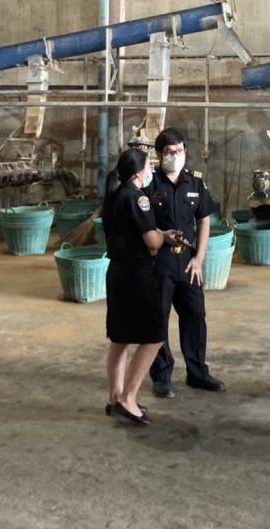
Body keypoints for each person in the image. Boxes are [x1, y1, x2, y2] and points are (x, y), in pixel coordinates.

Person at [103, 148, 183, 425]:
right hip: (137, 275)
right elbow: (150, 241)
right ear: (138, 171)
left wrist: (158, 234)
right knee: (155, 335)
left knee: (120, 338)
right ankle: (129, 398)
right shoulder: (138, 198)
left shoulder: (114, 196)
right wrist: (163, 238)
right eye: (149, 166)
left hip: (117, 274)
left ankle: (114, 398)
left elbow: (132, 231)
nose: (151, 170)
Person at [145, 128, 225, 398]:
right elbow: (142, 224)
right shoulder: (149, 184)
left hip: (188, 261)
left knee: (195, 315)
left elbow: (204, 220)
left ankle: (197, 372)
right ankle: (161, 376)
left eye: (179, 151)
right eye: (169, 152)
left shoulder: (195, 183)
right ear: (159, 154)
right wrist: (160, 237)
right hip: (159, 261)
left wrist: (199, 258)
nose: (175, 156)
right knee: (158, 318)